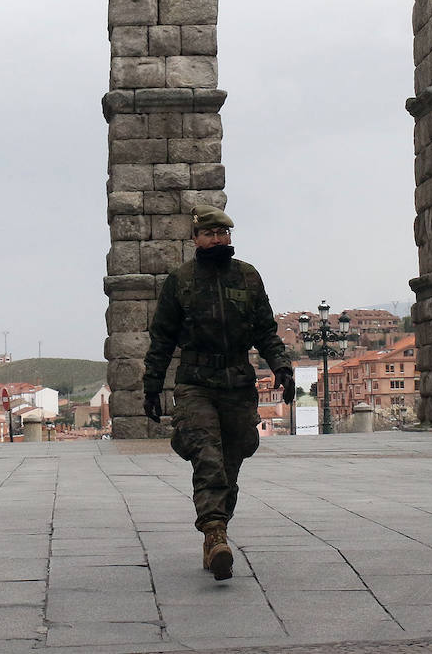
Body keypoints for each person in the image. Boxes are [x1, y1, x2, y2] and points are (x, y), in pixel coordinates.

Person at [142, 204, 294, 581]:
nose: (217, 239)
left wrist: (282, 367)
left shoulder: (248, 277)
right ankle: (214, 534)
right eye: (209, 234)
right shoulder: (180, 281)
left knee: (230, 462)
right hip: (196, 383)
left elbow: (265, 330)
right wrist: (152, 386)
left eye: (223, 233)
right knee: (207, 456)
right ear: (195, 238)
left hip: (238, 383)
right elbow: (162, 339)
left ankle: (217, 530)